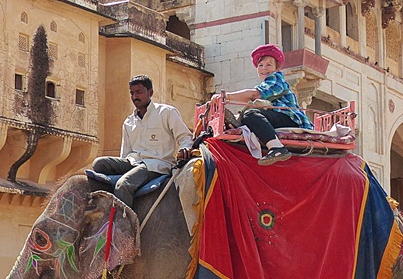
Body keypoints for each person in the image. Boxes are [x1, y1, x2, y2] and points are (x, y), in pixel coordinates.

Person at [92, 75, 193, 207]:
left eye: (138, 92)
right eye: (132, 93)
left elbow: (185, 137)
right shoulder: (128, 122)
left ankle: (124, 225)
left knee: (124, 185)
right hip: (133, 162)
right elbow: (125, 153)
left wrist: (184, 149)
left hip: (156, 164)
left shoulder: (166, 112)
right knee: (98, 164)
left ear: (150, 93)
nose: (134, 97)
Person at [213, 44, 313, 166]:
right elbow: (252, 97)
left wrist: (226, 96)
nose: (264, 68)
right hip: (279, 117)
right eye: (260, 65)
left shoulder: (276, 79)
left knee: (250, 114)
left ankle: (276, 148)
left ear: (277, 68)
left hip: (292, 120)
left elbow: (253, 95)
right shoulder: (267, 84)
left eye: (269, 65)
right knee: (248, 115)